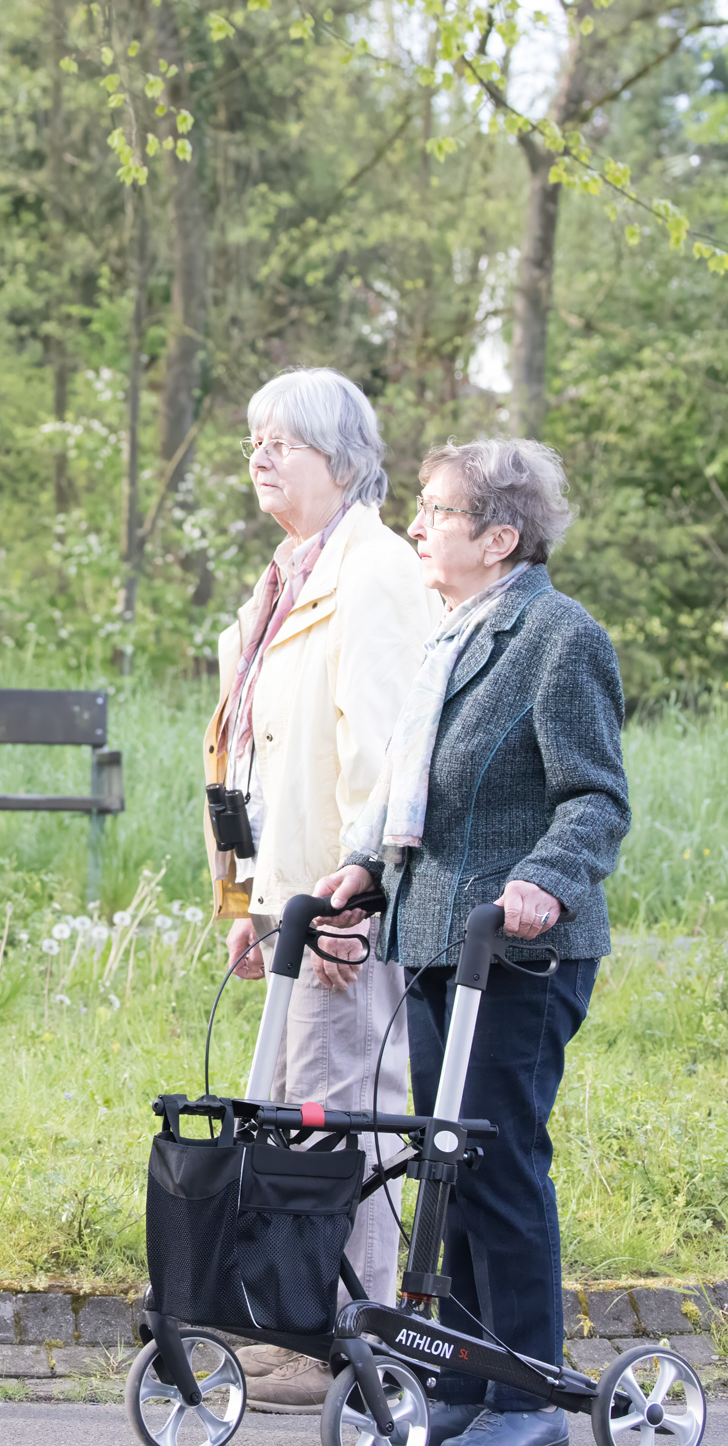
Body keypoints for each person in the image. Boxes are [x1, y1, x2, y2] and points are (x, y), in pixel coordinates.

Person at [318, 438, 628, 1446]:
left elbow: (591, 796)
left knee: (492, 1163)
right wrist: (367, 872)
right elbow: (428, 799)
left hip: (521, 951)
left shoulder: (557, 635)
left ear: (497, 537)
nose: (415, 524)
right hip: (435, 933)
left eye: (435, 510)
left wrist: (543, 878)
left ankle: (526, 1395)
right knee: (440, 1165)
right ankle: (460, 1381)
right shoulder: (451, 635)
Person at [200, 367, 438, 1411]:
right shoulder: (288, 572)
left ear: (339, 461)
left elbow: (383, 754)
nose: (259, 456)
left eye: (282, 442)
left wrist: (350, 899)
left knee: (346, 1112)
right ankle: (297, 1318)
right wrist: (250, 899)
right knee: (298, 1111)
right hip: (290, 895)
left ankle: (348, 1334)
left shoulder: (373, 572)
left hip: (340, 899)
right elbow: (252, 752)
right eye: (254, 438)